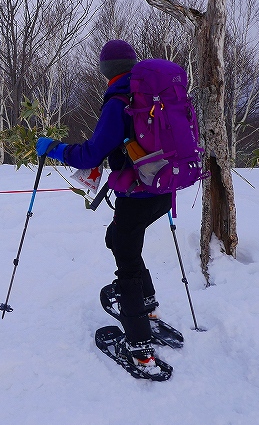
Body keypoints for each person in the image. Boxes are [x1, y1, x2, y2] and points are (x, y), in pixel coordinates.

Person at [36, 40, 173, 372]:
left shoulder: (118, 101)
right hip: (164, 189)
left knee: (125, 255)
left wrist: (52, 147)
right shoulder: (155, 95)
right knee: (118, 238)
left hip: (137, 194)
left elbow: (90, 154)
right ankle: (148, 308)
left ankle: (140, 348)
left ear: (106, 70)